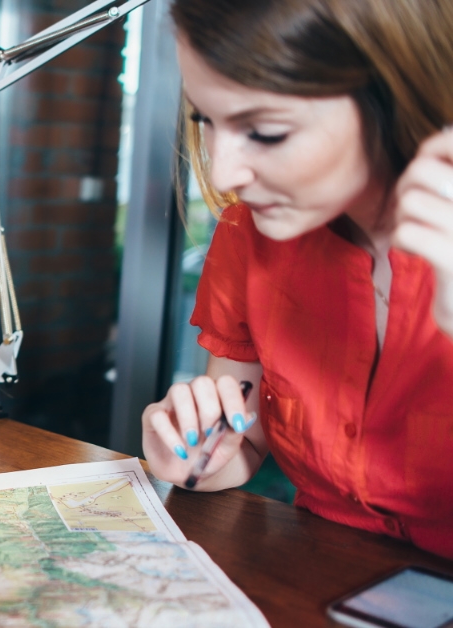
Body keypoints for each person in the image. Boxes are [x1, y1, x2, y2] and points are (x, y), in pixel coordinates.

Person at [143, 0, 453, 558]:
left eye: (264, 132)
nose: (222, 172)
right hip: (319, 580)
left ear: (395, 93)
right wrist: (194, 458)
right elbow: (245, 440)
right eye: (206, 121)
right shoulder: (251, 234)